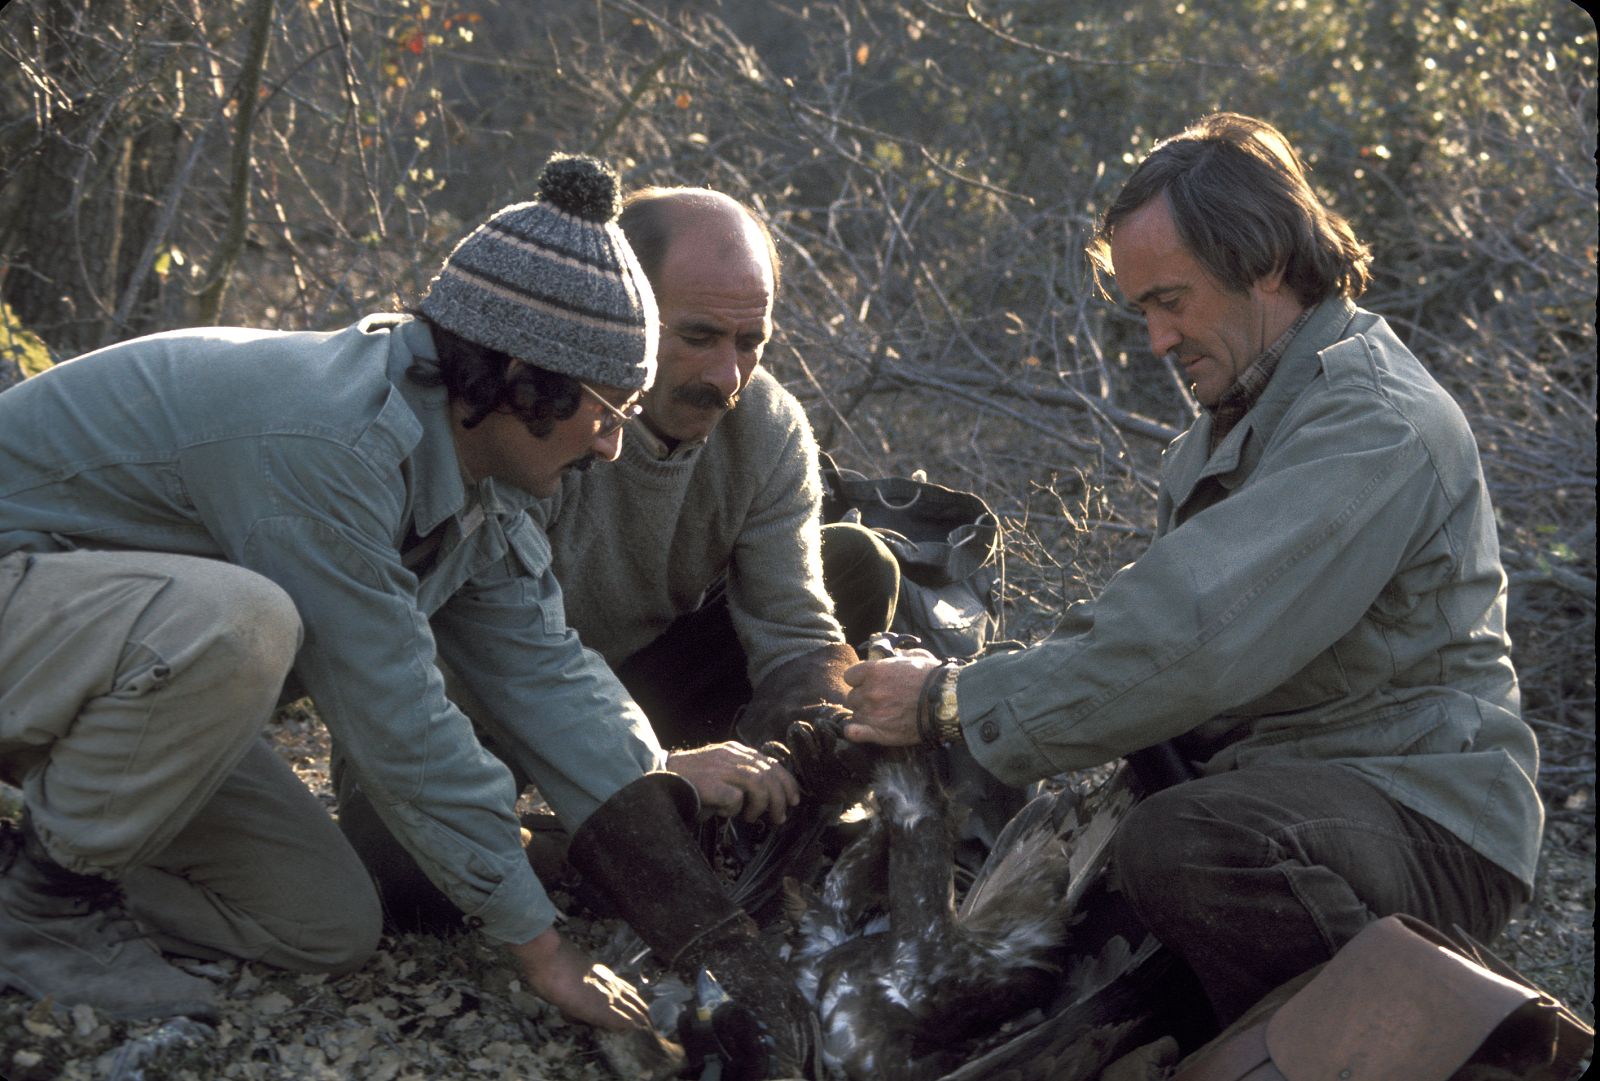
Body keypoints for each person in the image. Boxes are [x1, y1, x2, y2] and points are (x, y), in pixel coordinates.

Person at [0, 154, 811, 1072]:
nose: (614, 446)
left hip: (109, 668)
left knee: (326, 923)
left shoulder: (480, 476)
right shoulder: (330, 444)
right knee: (244, 621)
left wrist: (681, 863)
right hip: (31, 603)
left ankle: (35, 855)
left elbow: (547, 672)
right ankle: (46, 908)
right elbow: (397, 718)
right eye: (605, 410)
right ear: (521, 374)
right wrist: (541, 948)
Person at [839, 113, 1542, 1032]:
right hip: (1289, 788)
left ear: (1266, 262)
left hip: (1422, 812)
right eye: (1143, 310)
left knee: (1183, 846)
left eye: (1171, 300)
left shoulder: (1372, 420)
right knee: (1056, 935)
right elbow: (1142, 635)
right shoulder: (1242, 420)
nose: (1159, 340)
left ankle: (1434, 1042)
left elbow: (1192, 635)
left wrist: (950, 700)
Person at [538, 186, 900, 754]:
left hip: (640, 677)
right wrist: (639, 766)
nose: (727, 377)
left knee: (858, 563)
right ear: (620, 306)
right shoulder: (542, 400)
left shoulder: (767, 425)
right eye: (698, 337)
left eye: (750, 342)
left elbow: (792, 626)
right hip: (499, 679)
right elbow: (493, 635)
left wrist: (824, 726)